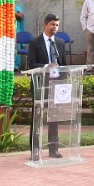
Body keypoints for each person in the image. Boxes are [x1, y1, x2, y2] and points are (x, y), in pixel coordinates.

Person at [26, 13, 67, 159]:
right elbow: (31, 64)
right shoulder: (34, 43)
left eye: (56, 25)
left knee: (54, 118)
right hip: (40, 85)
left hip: (55, 86)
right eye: (52, 24)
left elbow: (64, 66)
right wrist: (46, 66)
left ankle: (53, 149)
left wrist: (64, 83)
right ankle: (35, 150)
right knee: (37, 118)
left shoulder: (60, 43)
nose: (54, 27)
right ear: (45, 25)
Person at [14, 3, 25, 72]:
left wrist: (11, 11)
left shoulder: (16, 7)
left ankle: (15, 66)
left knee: (16, 48)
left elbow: (21, 16)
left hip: (15, 32)